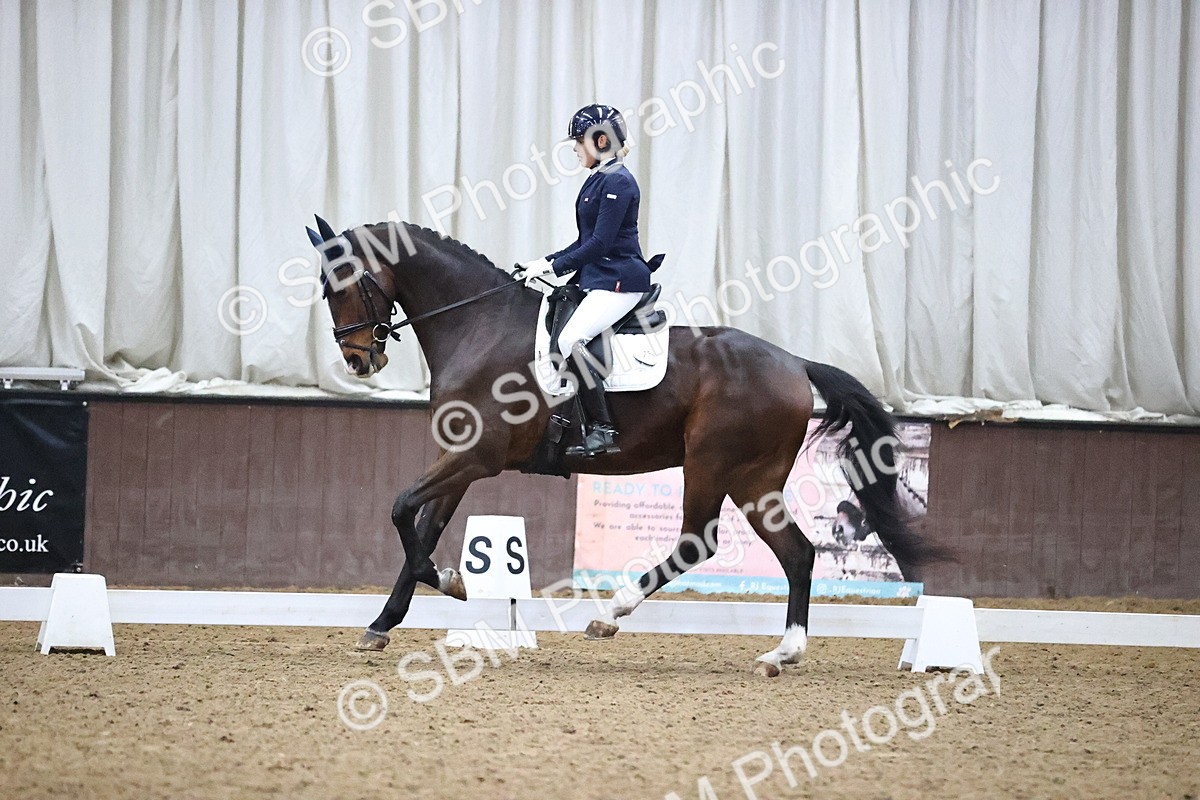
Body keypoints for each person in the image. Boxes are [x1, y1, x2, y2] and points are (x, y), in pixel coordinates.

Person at [517, 104, 653, 458]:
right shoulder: (598, 179)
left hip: (621, 280)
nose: (576, 149)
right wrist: (544, 262)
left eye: (580, 142)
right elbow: (584, 241)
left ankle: (603, 429)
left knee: (570, 339)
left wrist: (555, 268)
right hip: (601, 276)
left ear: (601, 140)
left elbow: (600, 244)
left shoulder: (618, 181)